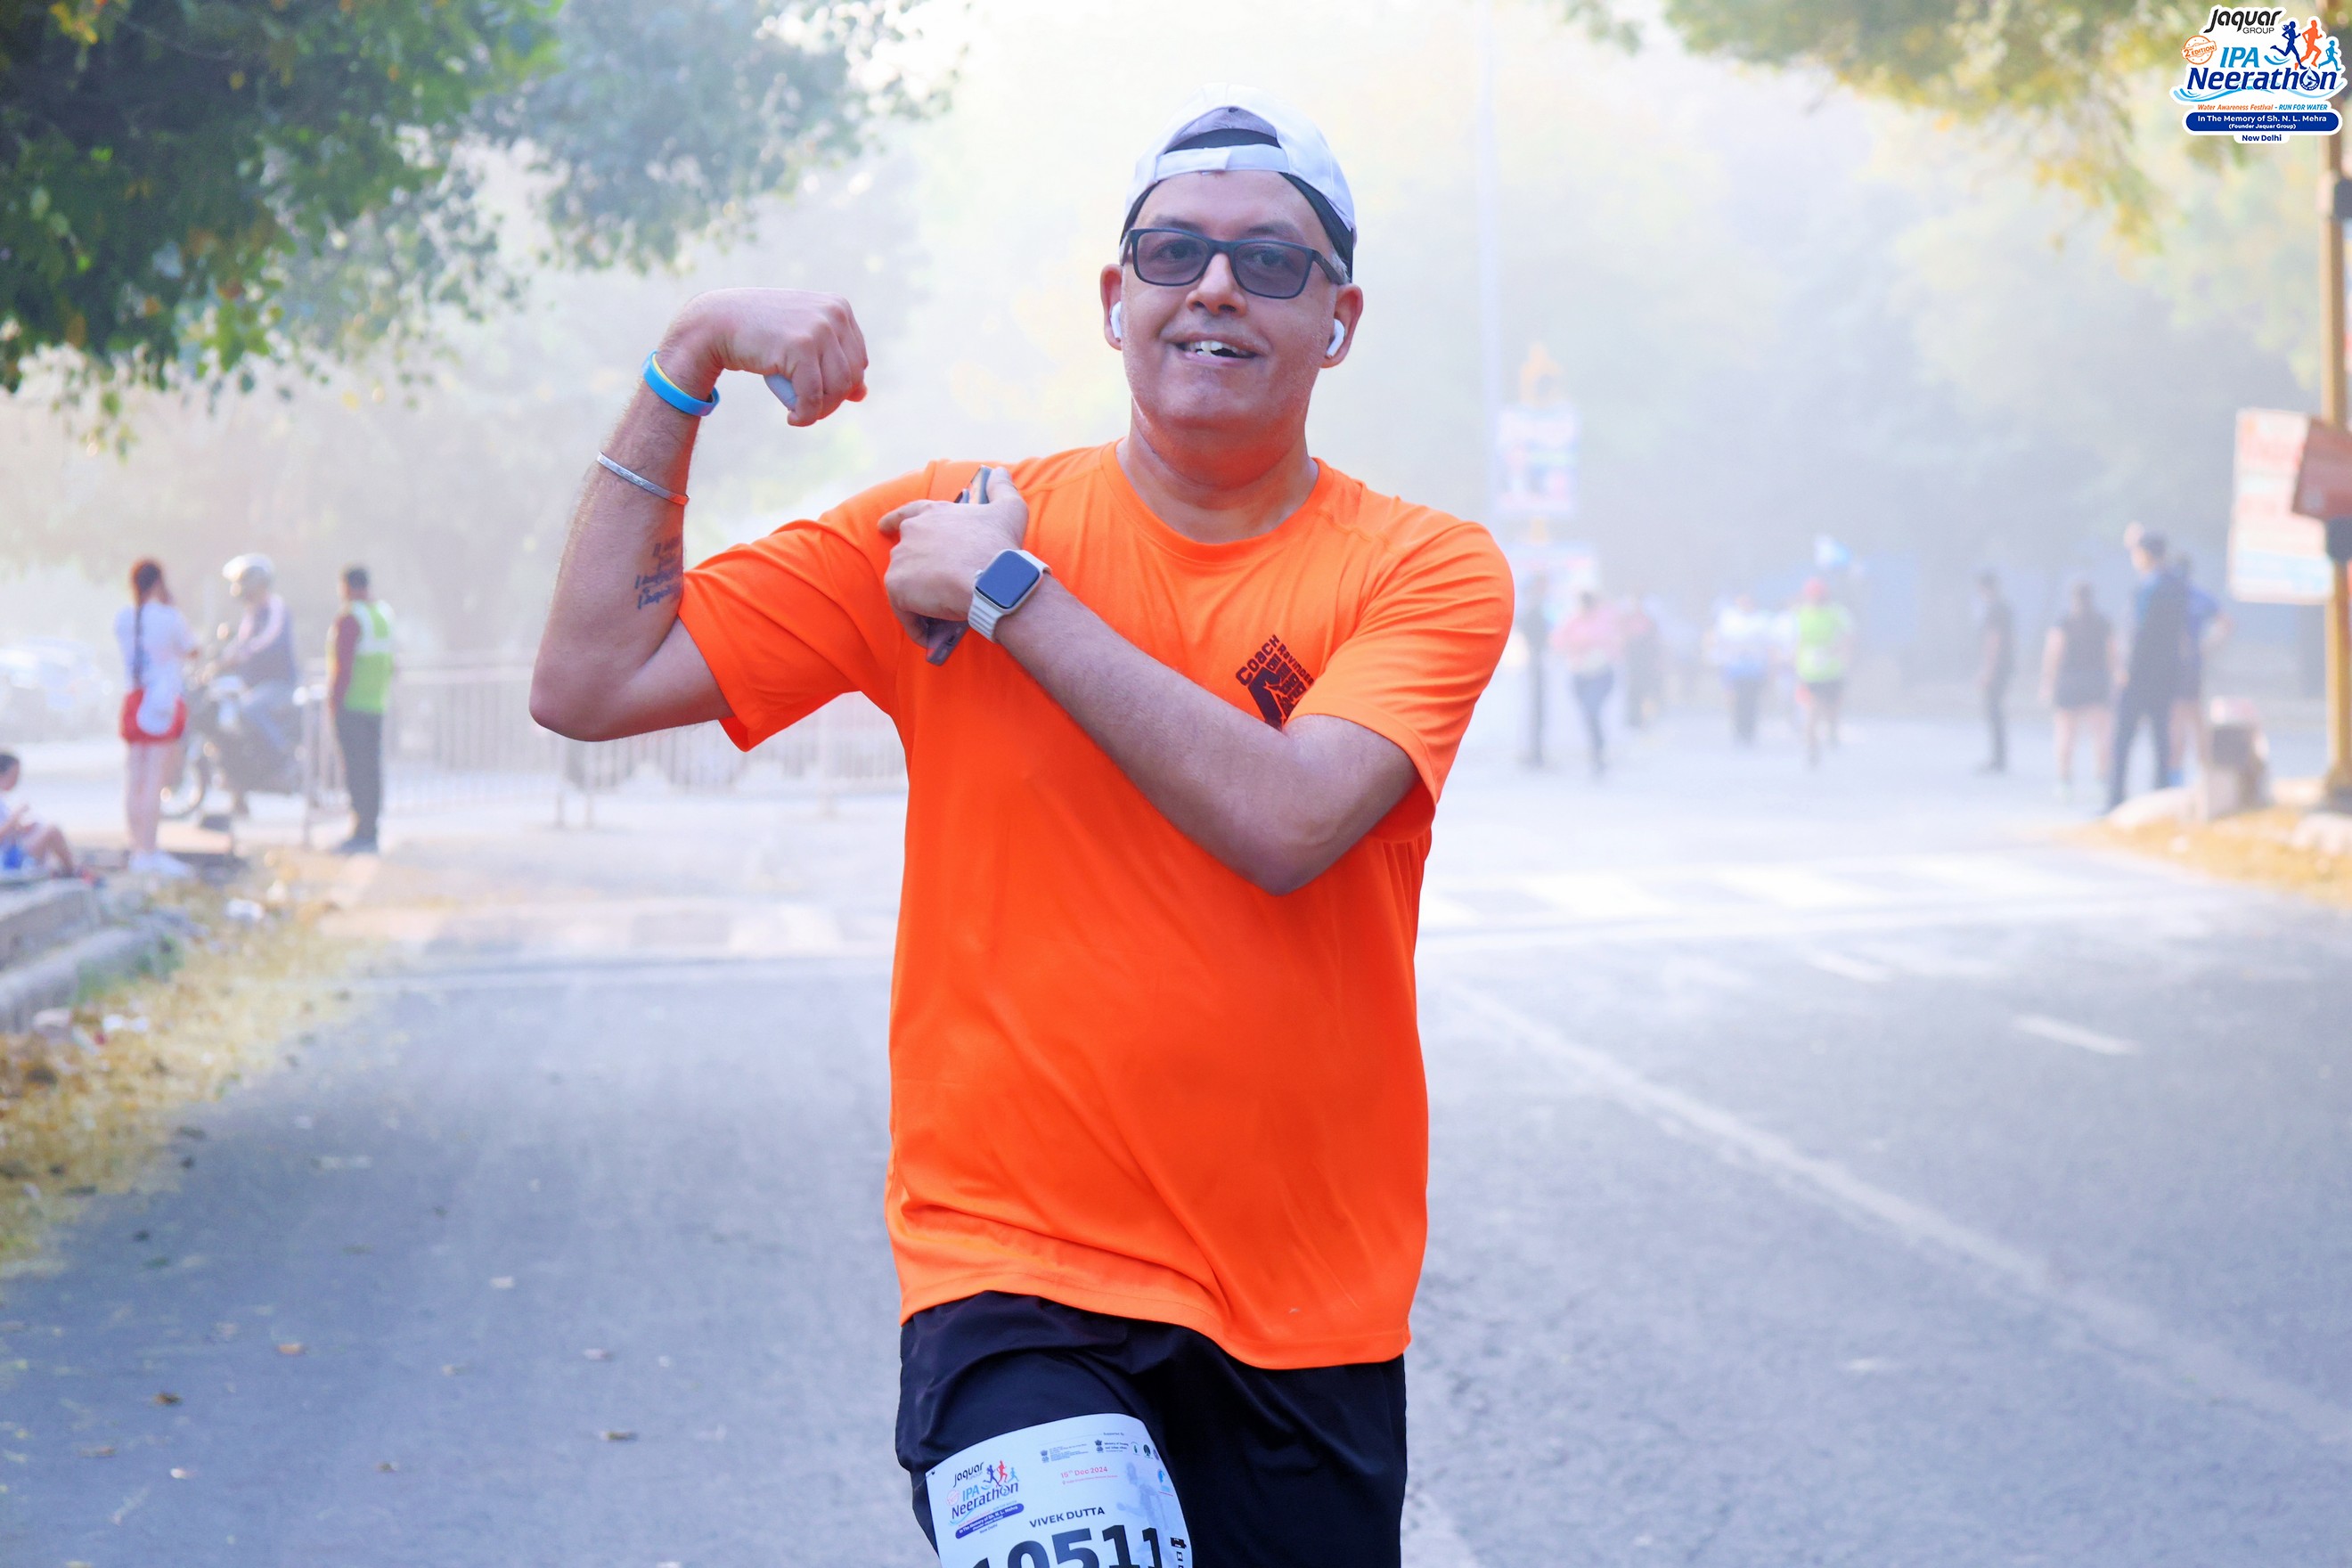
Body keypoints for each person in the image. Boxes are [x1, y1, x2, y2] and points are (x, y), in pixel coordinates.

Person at [527, 86, 1512, 1568]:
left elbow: (1290, 817)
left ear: (1340, 320)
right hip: (1016, 1276)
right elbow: (592, 679)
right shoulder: (942, 523)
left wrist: (1007, 598)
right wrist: (687, 361)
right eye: (1173, 253)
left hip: (1309, 1308)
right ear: (1117, 301)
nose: (1216, 286)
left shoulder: (1422, 569)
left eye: (1271, 261)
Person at [112, 558, 196, 878]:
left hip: (133, 700)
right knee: (153, 780)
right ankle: (149, 850)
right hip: (160, 704)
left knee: (134, 778)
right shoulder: (169, 617)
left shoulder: (123, 618)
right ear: (158, 582)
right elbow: (191, 649)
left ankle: (137, 848)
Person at [2109, 530, 2191, 810]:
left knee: (2123, 738)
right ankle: (2161, 797)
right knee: (2161, 738)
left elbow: (2138, 633)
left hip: (2138, 675)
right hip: (2166, 674)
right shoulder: (2177, 586)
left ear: (2145, 555)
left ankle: (2116, 798)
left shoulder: (2148, 588)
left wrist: (2126, 669)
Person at [326, 565, 394, 853]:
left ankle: (361, 832)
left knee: (356, 772)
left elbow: (343, 667)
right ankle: (370, 830)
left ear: (347, 587)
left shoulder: (351, 617)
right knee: (371, 770)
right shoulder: (382, 615)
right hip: (376, 704)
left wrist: (334, 702)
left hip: (352, 706)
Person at [216, 552, 298, 764]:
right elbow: (240, 643)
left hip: (279, 684)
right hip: (254, 685)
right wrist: (219, 662)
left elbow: (266, 641)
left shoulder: (276, 608)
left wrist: (241, 656)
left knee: (249, 708)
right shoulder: (252, 613)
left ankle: (282, 754)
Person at [2042, 579, 2118, 802]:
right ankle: (2101, 781)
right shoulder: (2103, 623)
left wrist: (2047, 683)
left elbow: (2053, 654)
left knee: (2066, 734)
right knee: (2101, 735)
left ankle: (2064, 782)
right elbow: (2113, 655)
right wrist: (2115, 681)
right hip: (2096, 682)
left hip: (2069, 682)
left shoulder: (2064, 622)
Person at [2166, 552, 2230, 785]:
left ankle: (2176, 775)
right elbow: (2226, 623)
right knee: (2194, 717)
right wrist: (2206, 647)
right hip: (2193, 665)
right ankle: (2204, 773)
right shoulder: (2199, 596)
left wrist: (2205, 647)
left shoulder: (2169, 595)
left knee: (2176, 720)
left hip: (2174, 666)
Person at [1554, 587, 1621, 775]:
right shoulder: (1572, 620)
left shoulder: (1603, 619)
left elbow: (1612, 641)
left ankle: (1598, 750)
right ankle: (1596, 749)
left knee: (1592, 709)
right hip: (1580, 675)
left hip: (1600, 674)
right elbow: (1559, 641)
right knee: (1588, 715)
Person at [1791, 576, 1853, 768]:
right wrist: (1796, 665)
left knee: (1831, 711)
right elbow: (1796, 641)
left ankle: (1832, 731)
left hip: (1832, 671)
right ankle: (1812, 748)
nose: (1815, 599)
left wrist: (1837, 653)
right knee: (1811, 713)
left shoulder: (1836, 613)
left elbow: (1848, 637)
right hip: (1809, 673)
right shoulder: (1801, 614)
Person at [1708, 592, 1772, 745]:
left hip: (1755, 669)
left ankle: (1749, 732)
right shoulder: (1729, 620)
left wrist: (1769, 667)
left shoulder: (1761, 621)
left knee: (1752, 702)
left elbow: (1768, 646)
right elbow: (1719, 641)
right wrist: (1718, 660)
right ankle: (1738, 731)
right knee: (1736, 701)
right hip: (1734, 668)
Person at [0, 752, 75, 877]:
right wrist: (15, 817)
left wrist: (21, 828)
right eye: (14, 775)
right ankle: (71, 870)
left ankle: (68, 868)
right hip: (7, 861)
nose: (16, 780)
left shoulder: (3, 801)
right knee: (52, 830)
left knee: (39, 827)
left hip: (12, 854)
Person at [1975, 569, 2015, 774]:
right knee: (1996, 710)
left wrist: (1987, 670)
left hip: (1997, 668)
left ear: (1985, 588)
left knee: (1993, 711)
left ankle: (1998, 758)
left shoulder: (1994, 610)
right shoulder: (2005, 608)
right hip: (2005, 666)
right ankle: (1999, 756)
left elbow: (1993, 641)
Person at [1515, 568, 1550, 766]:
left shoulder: (1536, 607)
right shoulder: (1531, 608)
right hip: (1533, 662)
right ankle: (1535, 753)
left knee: (1538, 709)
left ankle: (1537, 751)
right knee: (1535, 709)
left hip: (1537, 661)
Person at [1619, 594, 1664, 731]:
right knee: (1632, 691)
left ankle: (1644, 719)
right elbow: (1621, 641)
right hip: (1631, 662)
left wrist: (1658, 660)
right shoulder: (1626, 621)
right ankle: (1634, 718)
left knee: (1646, 691)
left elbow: (1656, 642)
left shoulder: (1649, 621)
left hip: (1647, 662)